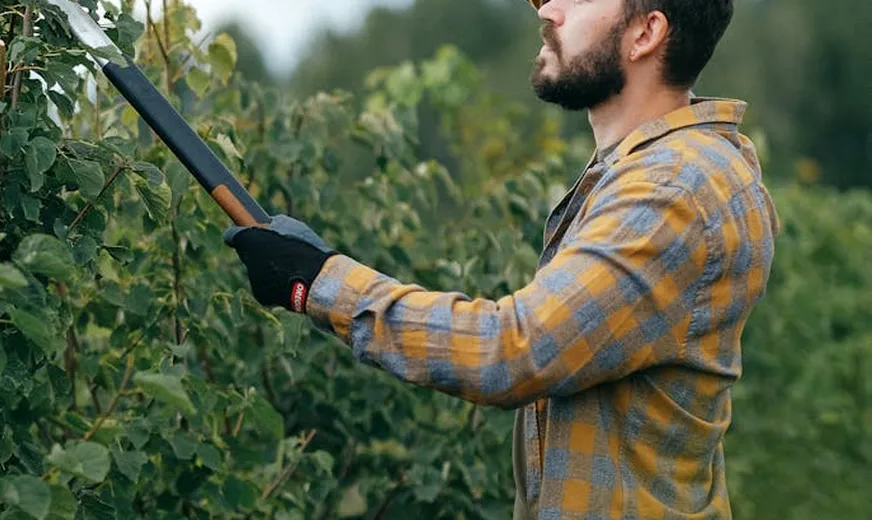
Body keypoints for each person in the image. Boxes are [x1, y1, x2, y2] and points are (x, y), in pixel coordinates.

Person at [224, 0, 780, 518]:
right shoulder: (660, 172)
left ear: (646, 33)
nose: (547, 12)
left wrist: (318, 280)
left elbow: (512, 351)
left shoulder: (672, 192)